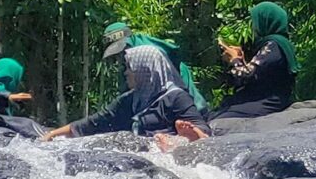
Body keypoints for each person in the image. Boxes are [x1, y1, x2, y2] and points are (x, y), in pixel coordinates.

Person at [43, 22, 207, 144]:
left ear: (142, 70)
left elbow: (201, 129)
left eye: (129, 66)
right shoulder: (132, 98)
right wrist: (52, 134)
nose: (124, 70)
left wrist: (185, 136)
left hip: (187, 114)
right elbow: (94, 122)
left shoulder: (151, 58)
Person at [214, 2, 299, 122]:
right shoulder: (273, 44)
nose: (254, 27)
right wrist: (240, 57)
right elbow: (256, 73)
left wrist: (235, 59)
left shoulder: (274, 46)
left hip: (268, 101)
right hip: (259, 98)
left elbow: (247, 75)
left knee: (219, 120)